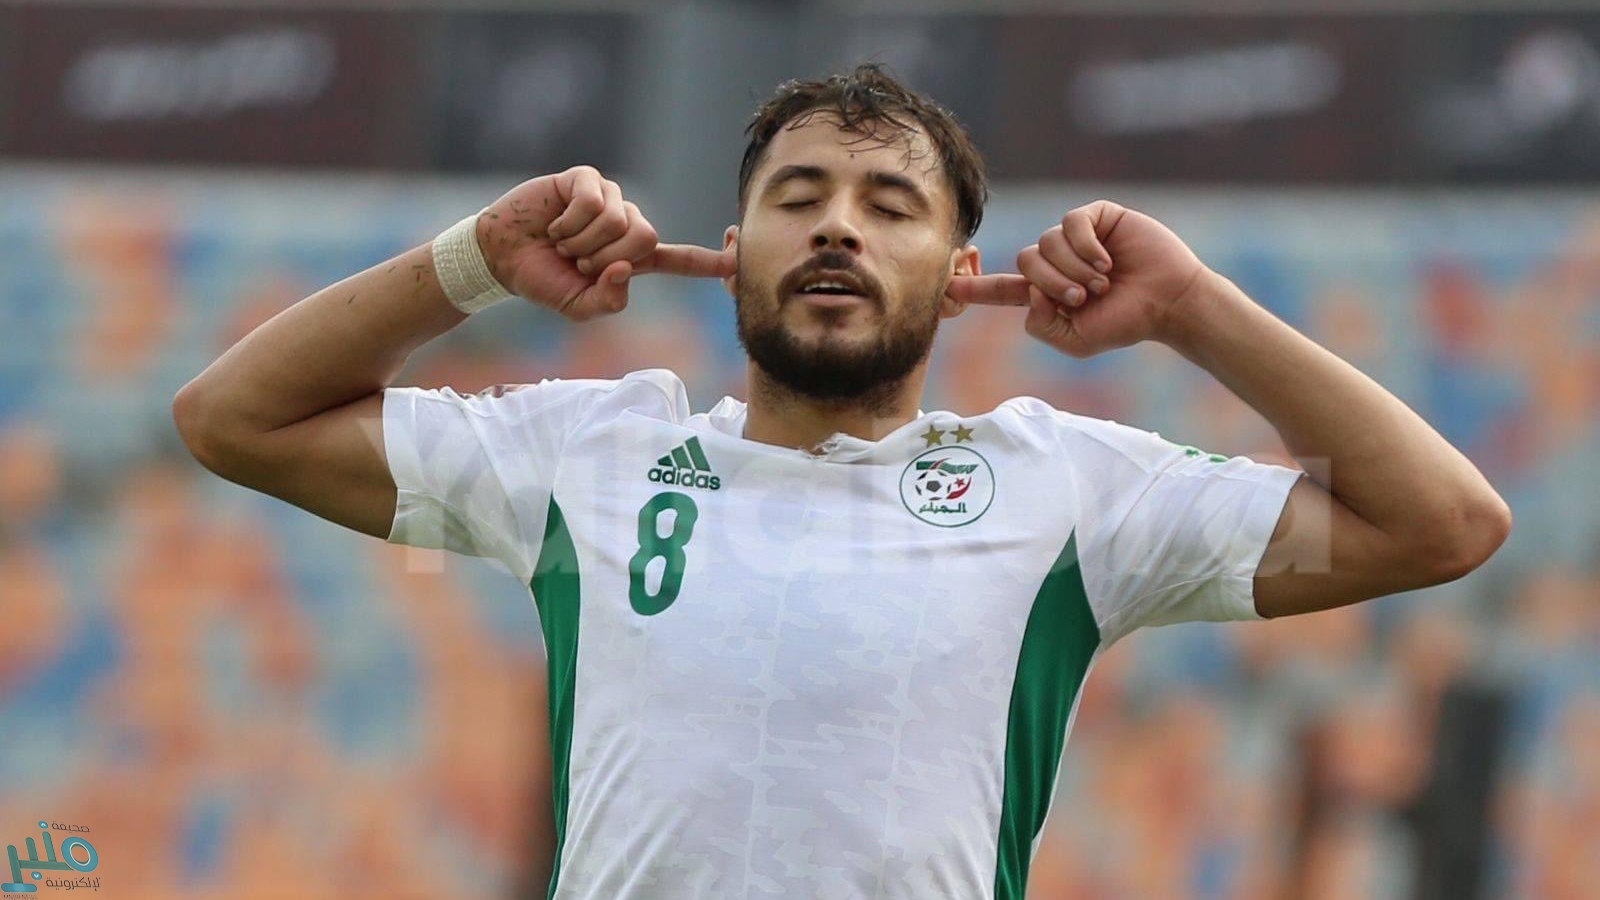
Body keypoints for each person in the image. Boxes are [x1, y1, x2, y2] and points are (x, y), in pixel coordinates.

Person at [173, 65, 1511, 899]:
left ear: (961, 275)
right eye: (799, 195)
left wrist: (1193, 310)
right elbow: (233, 420)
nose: (836, 225)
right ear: (735, 247)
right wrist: (473, 259)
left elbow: (1443, 522)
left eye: (890, 206)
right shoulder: (587, 454)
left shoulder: (1070, 492)